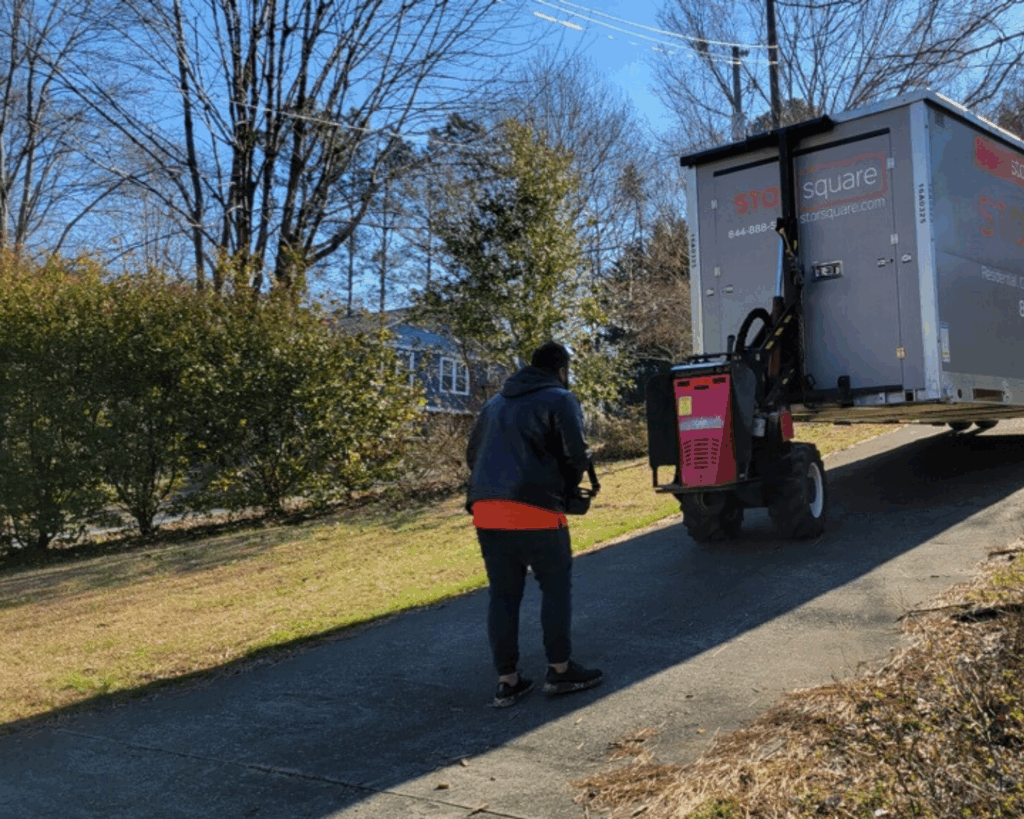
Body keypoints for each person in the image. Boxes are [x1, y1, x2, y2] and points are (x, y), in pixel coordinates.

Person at [466, 341, 604, 708]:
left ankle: (507, 681)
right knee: (555, 589)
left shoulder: (493, 404)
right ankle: (559, 671)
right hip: (537, 511)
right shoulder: (560, 398)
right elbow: (575, 454)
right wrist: (568, 487)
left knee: (503, 595)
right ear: (562, 369)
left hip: (486, 511)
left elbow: (471, 455)